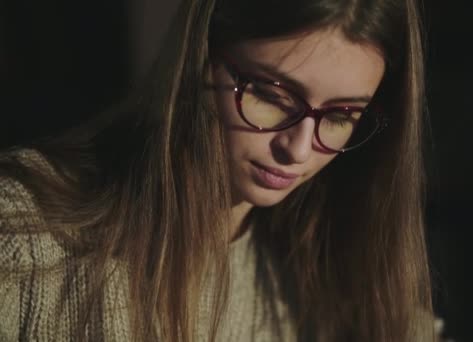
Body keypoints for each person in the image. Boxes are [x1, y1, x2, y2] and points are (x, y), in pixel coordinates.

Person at [0, 0, 436, 340]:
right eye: (271, 95)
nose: (298, 149)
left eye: (341, 116)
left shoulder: (334, 269)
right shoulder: (24, 233)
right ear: (198, 54)